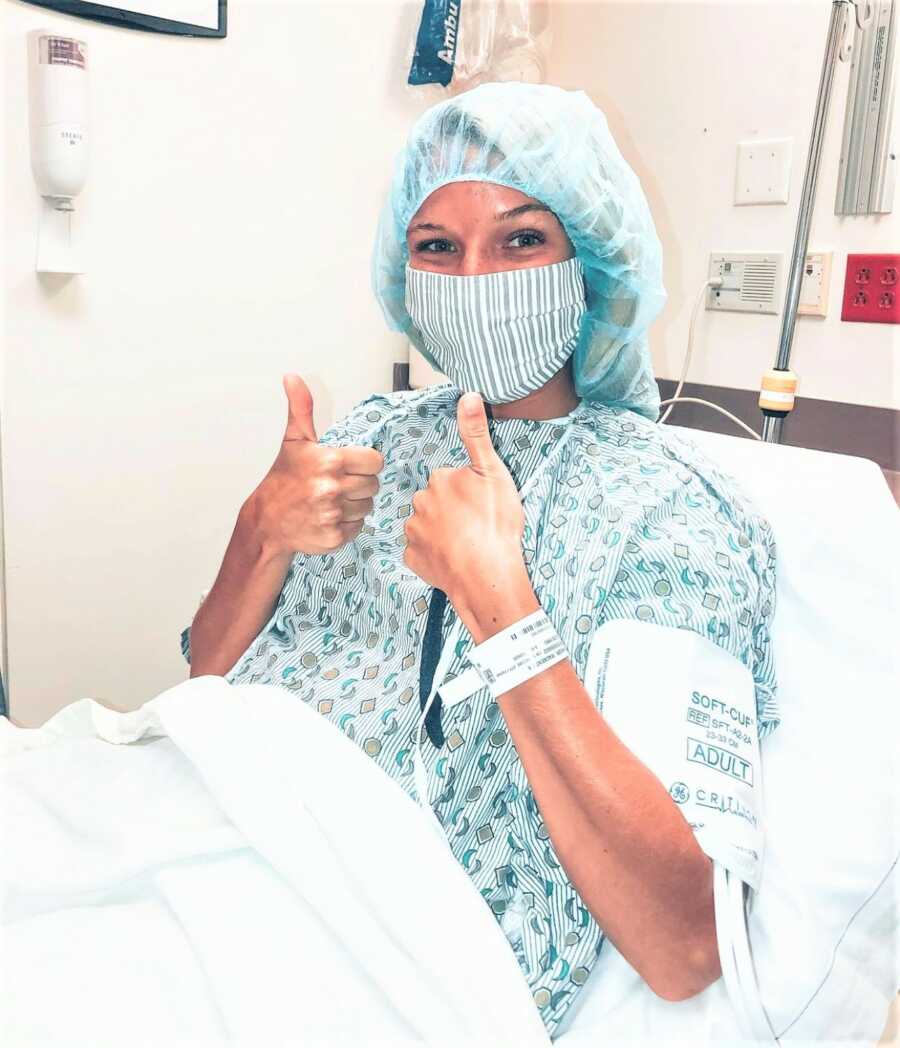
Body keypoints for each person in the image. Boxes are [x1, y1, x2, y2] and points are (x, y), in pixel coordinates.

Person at [181, 82, 779, 1038]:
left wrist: (503, 612)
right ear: (402, 275)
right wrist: (261, 527)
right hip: (214, 851)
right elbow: (205, 674)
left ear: (589, 258)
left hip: (389, 964)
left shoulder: (667, 511)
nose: (475, 279)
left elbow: (685, 947)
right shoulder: (364, 442)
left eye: (520, 239)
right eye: (437, 247)